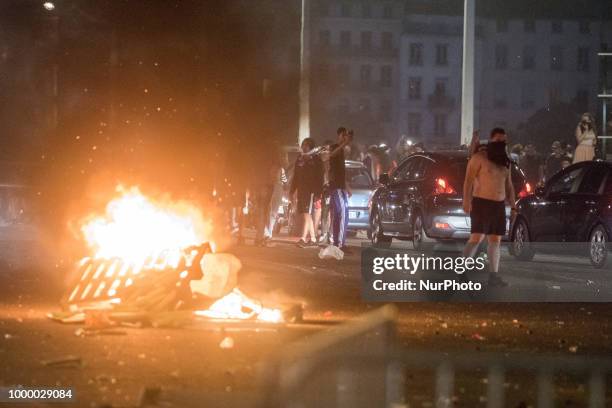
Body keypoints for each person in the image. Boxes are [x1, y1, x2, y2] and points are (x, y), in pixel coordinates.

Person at [463, 128, 516, 287]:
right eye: (498, 140)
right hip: (481, 203)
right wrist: (466, 201)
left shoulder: (505, 162)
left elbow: (509, 185)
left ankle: (493, 276)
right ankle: (462, 272)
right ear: (491, 140)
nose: (501, 143)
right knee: (476, 238)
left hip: (498, 206)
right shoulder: (479, 158)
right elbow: (468, 181)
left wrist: (513, 206)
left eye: (504, 140)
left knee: (495, 240)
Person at [290, 138, 324, 247]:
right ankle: (311, 238)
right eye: (303, 145)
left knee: (307, 213)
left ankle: (306, 238)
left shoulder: (316, 159)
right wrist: (292, 190)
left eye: (306, 145)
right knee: (305, 213)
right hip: (301, 190)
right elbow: (296, 175)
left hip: (311, 191)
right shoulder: (299, 158)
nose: (304, 147)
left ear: (311, 147)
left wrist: (318, 192)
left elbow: (320, 176)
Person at [329, 127, 353, 251]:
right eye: (344, 135)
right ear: (339, 135)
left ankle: (337, 242)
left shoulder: (342, 152)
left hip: (340, 187)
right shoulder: (334, 147)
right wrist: (343, 144)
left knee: (340, 215)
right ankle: (340, 244)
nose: (346, 138)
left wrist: (347, 187)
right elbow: (331, 155)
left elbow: (341, 173)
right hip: (335, 187)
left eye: (347, 136)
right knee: (343, 213)